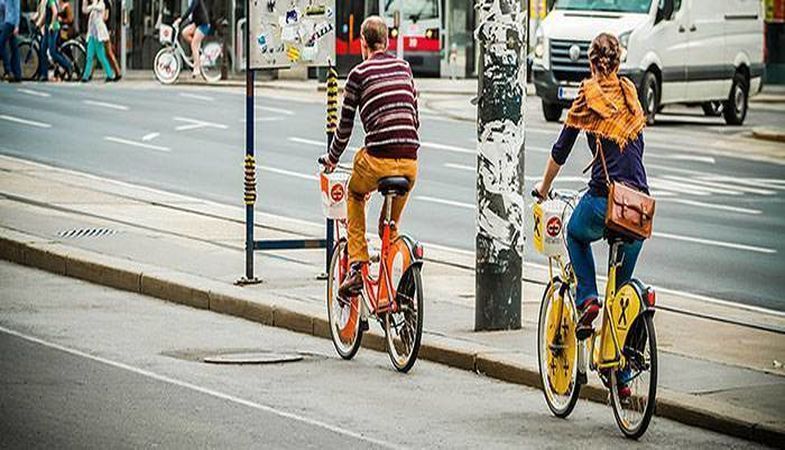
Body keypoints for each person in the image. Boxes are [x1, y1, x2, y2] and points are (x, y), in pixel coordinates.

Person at [534, 33, 648, 395]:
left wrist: (543, 188)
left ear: (591, 62)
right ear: (618, 62)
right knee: (624, 295)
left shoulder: (589, 98)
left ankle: (586, 299)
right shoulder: (630, 95)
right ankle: (624, 376)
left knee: (575, 233)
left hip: (605, 200)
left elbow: (561, 149)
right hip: (640, 209)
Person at [318, 16, 420, 299]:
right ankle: (397, 286)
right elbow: (414, 118)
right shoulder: (405, 67)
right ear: (387, 42)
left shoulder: (358, 75)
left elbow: (345, 127)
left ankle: (356, 266)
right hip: (411, 162)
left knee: (354, 193)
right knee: (390, 226)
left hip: (377, 161)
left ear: (363, 43)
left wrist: (332, 159)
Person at [35, 0, 73, 80]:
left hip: (53, 29)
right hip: (47, 28)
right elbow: (45, 15)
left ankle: (68, 66)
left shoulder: (51, 1)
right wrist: (39, 24)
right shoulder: (47, 2)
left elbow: (55, 12)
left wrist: (52, 25)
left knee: (53, 52)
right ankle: (44, 75)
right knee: (43, 50)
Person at [173, 0, 210, 78]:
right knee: (184, 33)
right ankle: (197, 50)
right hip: (197, 24)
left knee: (194, 44)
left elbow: (191, 9)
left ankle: (197, 68)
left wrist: (181, 19)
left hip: (204, 25)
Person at [80, 0, 114, 82]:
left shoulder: (101, 4)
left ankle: (110, 74)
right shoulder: (93, 7)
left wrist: (93, 3)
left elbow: (96, 8)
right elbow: (85, 10)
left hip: (99, 35)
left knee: (101, 56)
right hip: (92, 35)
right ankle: (86, 76)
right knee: (89, 56)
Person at [0, 0, 22, 82]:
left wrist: (17, 25)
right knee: (14, 48)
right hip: (7, 21)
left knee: (1, 43)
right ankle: (17, 74)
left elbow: (17, 9)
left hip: (11, 22)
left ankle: (8, 70)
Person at [101, 0, 120, 80]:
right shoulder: (108, 2)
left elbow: (105, 17)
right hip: (106, 30)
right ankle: (116, 72)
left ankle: (117, 72)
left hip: (104, 30)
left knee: (108, 52)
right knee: (105, 52)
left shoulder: (105, 3)